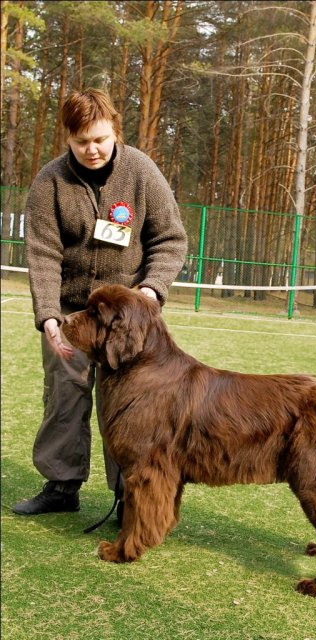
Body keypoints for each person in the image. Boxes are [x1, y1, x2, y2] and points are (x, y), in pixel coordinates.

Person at [12, 88, 187, 519]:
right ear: (68, 139)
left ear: (114, 131)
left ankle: (131, 494)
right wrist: (50, 317)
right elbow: (42, 254)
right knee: (64, 398)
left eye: (100, 139)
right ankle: (61, 485)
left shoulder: (142, 171)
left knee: (133, 408)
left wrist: (151, 290)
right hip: (74, 315)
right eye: (81, 141)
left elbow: (170, 239)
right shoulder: (49, 182)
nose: (92, 150)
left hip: (128, 322)